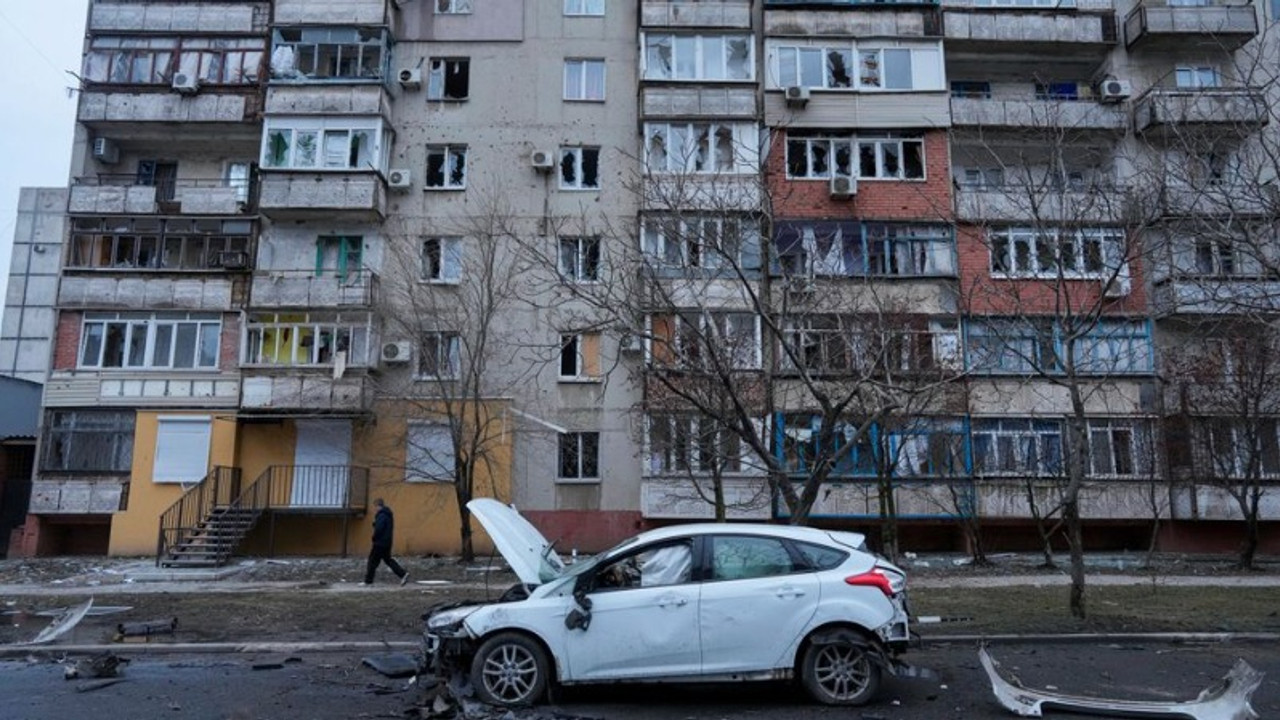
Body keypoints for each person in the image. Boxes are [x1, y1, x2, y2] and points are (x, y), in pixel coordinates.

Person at [363, 498, 409, 586]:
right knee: (388, 560)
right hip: (387, 542)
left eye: (375, 507)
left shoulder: (382, 515)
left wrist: (374, 537)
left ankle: (368, 581)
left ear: (378, 506)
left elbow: (379, 528)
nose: (374, 509)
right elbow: (383, 526)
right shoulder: (388, 514)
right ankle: (403, 574)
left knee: (372, 561)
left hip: (379, 542)